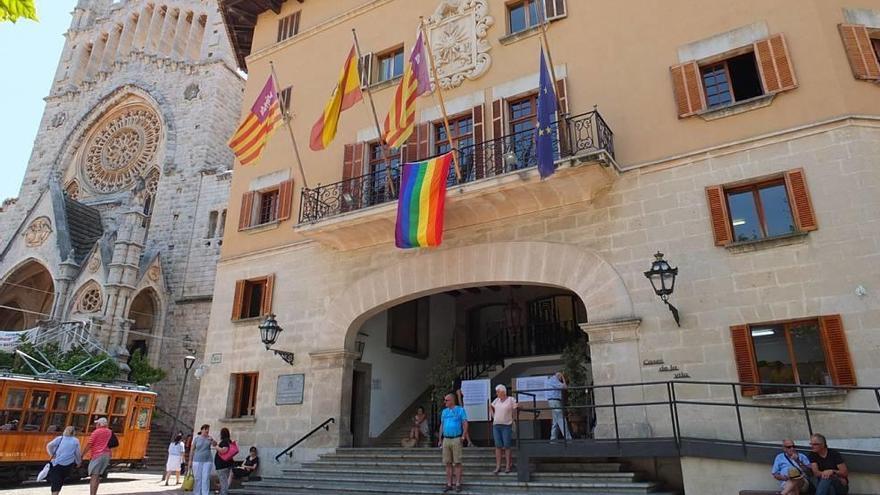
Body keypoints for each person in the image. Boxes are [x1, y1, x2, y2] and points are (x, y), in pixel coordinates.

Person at [437, 394, 468, 493]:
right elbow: (442, 425)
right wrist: (440, 439)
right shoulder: (444, 412)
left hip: (456, 438)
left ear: (452, 401)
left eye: (447, 400)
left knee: (457, 462)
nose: (445, 402)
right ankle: (449, 484)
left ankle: (458, 483)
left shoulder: (460, 410)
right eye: (444, 400)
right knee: (448, 463)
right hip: (446, 439)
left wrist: (463, 435)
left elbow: (465, 423)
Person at [489, 384, 517, 474]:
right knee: (498, 446)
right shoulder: (496, 400)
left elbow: (515, 408)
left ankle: (508, 465)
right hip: (496, 425)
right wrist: (493, 416)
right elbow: (490, 406)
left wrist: (513, 418)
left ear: (503, 391)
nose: (497, 393)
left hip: (506, 425)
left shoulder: (510, 399)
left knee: (507, 445)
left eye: (498, 391)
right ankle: (498, 466)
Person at [46, 425, 82, 495]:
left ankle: (54, 493)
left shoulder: (60, 438)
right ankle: (56, 493)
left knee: (56, 481)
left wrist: (52, 454)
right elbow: (77, 453)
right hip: (68, 465)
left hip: (57, 463)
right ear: (74, 432)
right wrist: (79, 462)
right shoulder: (75, 441)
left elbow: (49, 445)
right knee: (61, 481)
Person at [83, 417, 112, 495]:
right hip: (107, 455)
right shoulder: (109, 432)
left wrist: (82, 454)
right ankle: (95, 492)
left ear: (99, 424)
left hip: (97, 455)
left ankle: (92, 494)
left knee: (94, 476)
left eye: (97, 423)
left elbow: (90, 444)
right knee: (98, 475)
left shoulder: (96, 432)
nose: (96, 425)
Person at [545, 372, 572, 440]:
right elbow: (565, 386)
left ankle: (553, 439)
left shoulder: (549, 380)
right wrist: (563, 378)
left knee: (555, 421)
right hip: (555, 401)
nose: (561, 379)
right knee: (561, 419)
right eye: (561, 378)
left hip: (551, 401)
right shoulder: (554, 380)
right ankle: (568, 438)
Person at [191, 424, 214, 495]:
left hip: (207, 460)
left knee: (206, 477)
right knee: (197, 478)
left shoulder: (209, 438)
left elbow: (215, 445)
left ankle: (205, 493)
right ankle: (197, 493)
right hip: (197, 460)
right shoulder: (196, 438)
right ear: (201, 430)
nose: (207, 431)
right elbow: (192, 450)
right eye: (205, 429)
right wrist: (189, 461)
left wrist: (212, 440)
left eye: (208, 429)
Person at [214, 427, 235, 495]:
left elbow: (223, 451)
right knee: (224, 482)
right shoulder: (228, 441)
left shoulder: (225, 441)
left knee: (223, 483)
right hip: (225, 464)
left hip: (222, 465)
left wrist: (216, 446)